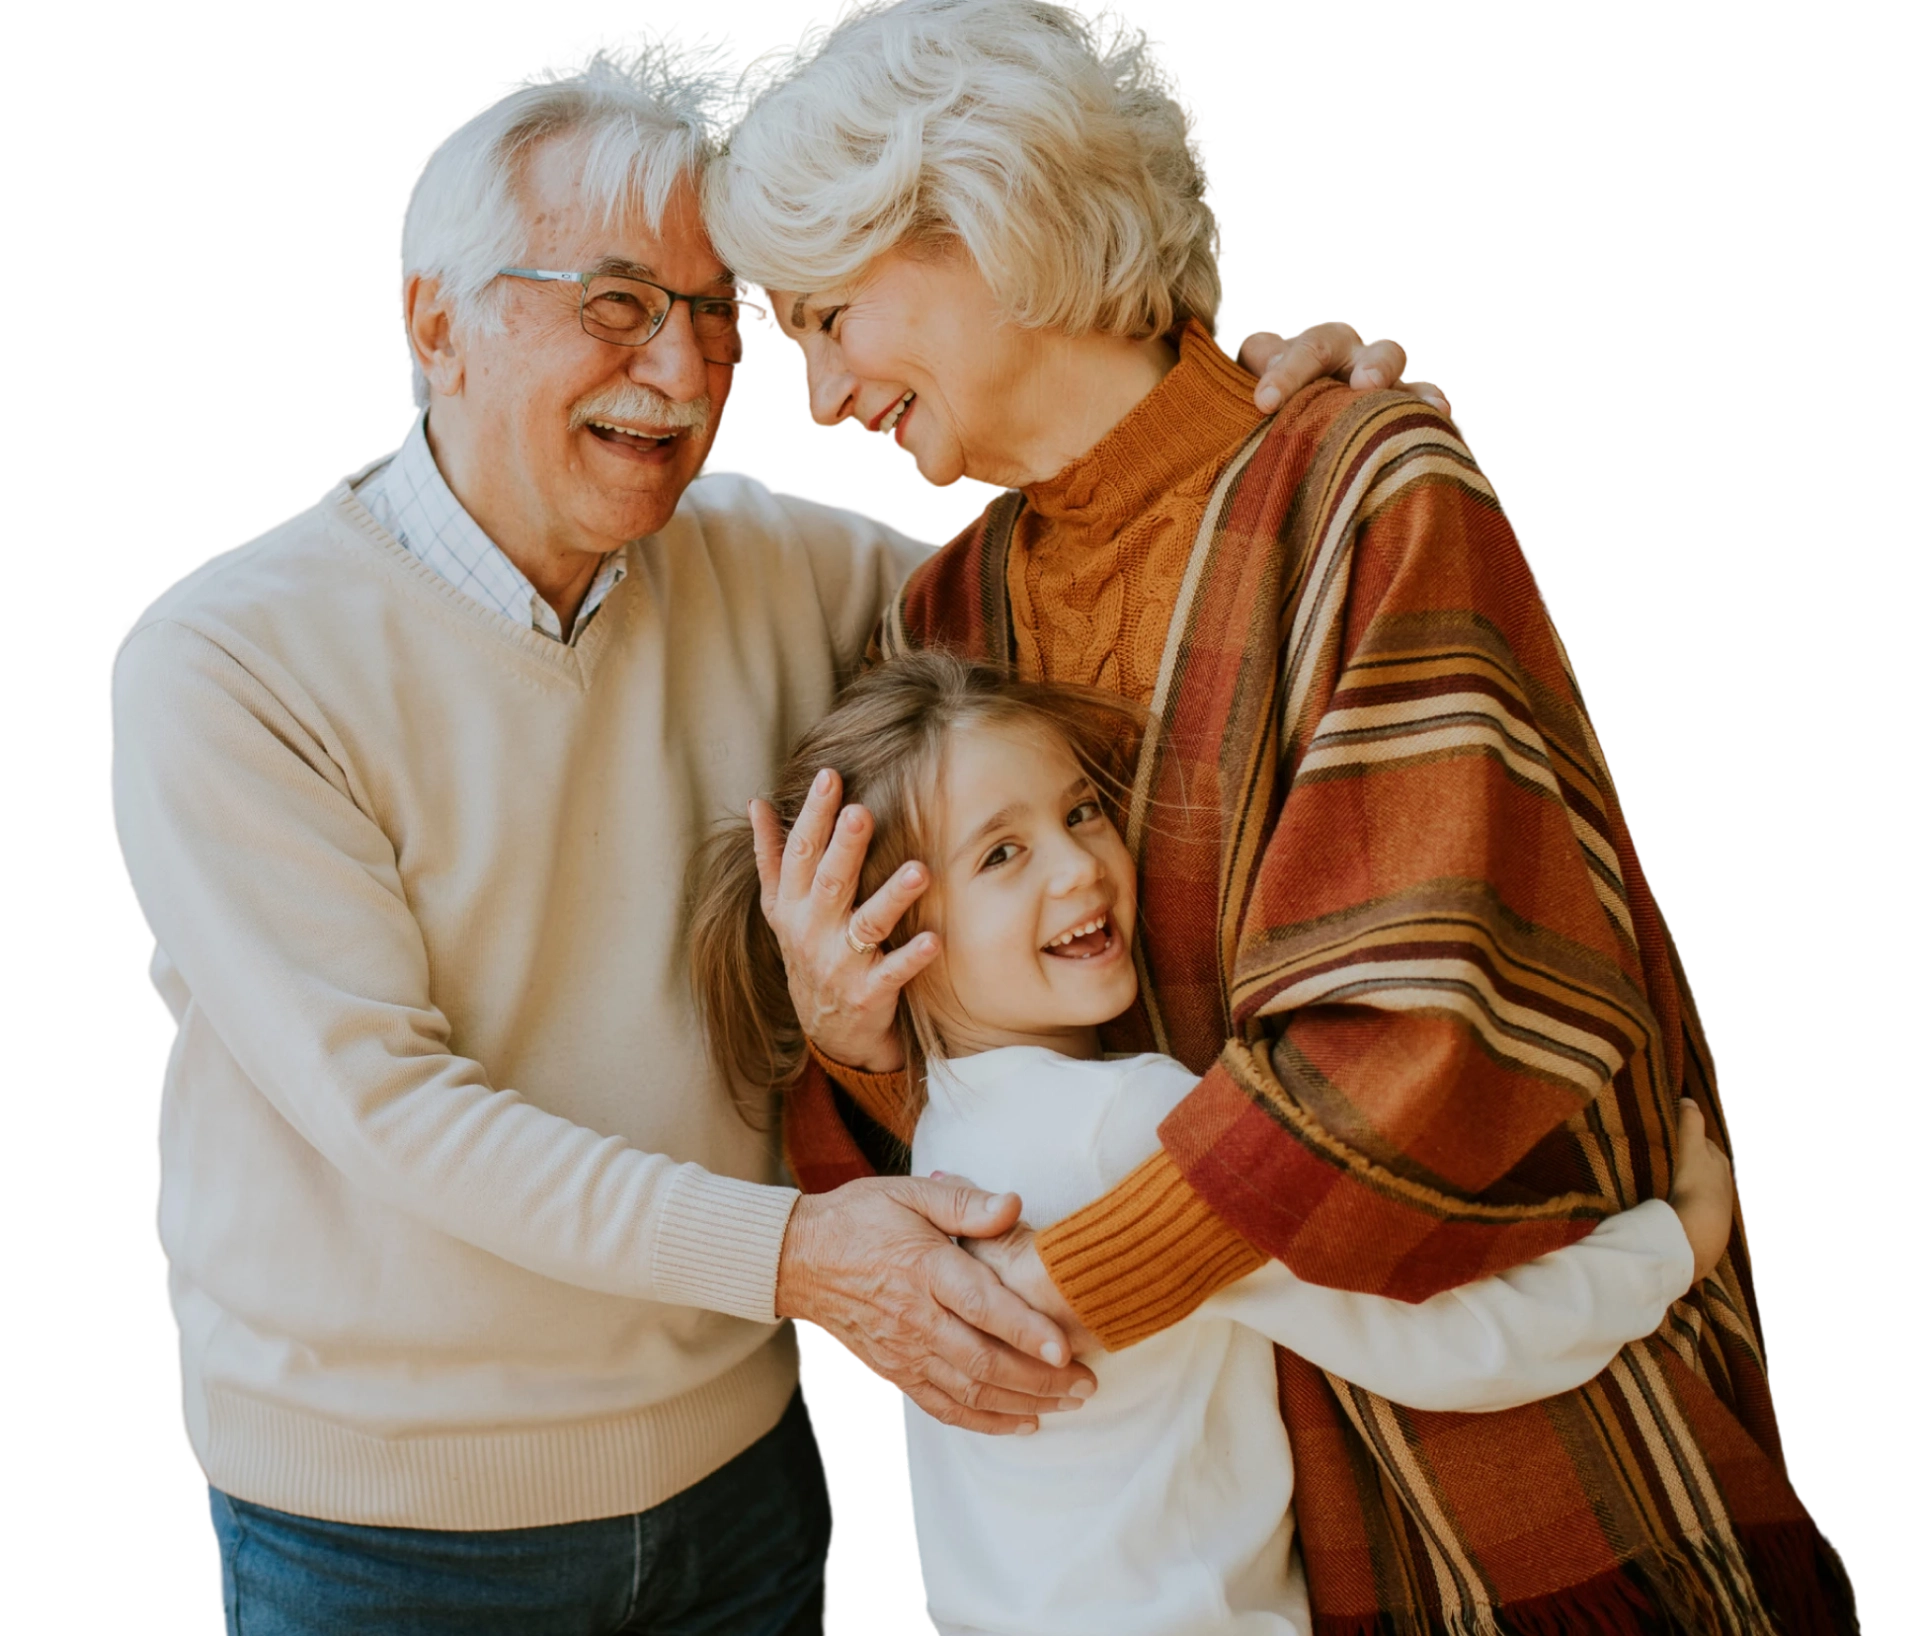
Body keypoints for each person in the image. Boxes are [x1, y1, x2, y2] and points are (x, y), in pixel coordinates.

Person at [108, 27, 1434, 1633]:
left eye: (716, 317)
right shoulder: (226, 661)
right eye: (613, 306)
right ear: (435, 321)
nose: (679, 375)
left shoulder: (794, 572)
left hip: (744, 1479)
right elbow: (393, 1107)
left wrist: (1278, 426)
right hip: (390, 1528)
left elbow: (1105, 596)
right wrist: (805, 1257)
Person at [706, 1, 1862, 1629]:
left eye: (830, 316)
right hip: (1204, 1510)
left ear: (982, 215)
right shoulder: (944, 620)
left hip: (1510, 1438)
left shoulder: (1369, 484)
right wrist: (861, 1039)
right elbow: (987, 1133)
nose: (819, 396)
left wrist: (1054, 1287)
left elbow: (1424, 1037)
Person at [690, 650, 1737, 1636]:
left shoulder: (944, 1136)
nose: (1079, 864)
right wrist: (1672, 1248)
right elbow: (1437, 1342)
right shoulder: (1125, 1120)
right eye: (1001, 852)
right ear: (887, 936)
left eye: (1084, 809)